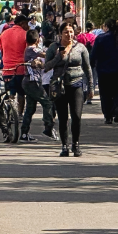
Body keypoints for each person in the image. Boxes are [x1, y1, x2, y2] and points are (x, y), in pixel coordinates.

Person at [44, 20, 93, 157]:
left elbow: (87, 68)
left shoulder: (81, 48)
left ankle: (76, 144)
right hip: (60, 86)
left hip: (76, 84)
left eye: (71, 31)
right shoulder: (54, 48)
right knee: (63, 117)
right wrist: (58, 57)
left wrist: (90, 86)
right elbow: (46, 67)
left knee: (76, 116)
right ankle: (64, 145)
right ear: (60, 33)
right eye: (66, 32)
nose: (69, 34)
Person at [90, 18, 118, 124]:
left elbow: (93, 55)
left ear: (107, 26)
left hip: (103, 71)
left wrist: (92, 65)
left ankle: (108, 116)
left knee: (105, 93)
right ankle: (117, 107)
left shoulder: (100, 38)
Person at [19, 28, 56, 143]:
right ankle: (48, 128)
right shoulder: (31, 49)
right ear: (37, 39)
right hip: (32, 82)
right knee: (47, 102)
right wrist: (55, 53)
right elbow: (44, 55)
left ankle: (24, 133)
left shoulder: (30, 50)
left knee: (30, 108)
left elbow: (39, 64)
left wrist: (40, 64)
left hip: (31, 81)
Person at [0, 14, 30, 120]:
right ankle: (19, 115)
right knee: (21, 93)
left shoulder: (4, 34)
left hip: (7, 69)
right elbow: (28, 53)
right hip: (20, 69)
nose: (28, 25)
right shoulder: (25, 34)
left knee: (10, 92)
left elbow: (0, 50)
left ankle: (10, 112)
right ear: (21, 23)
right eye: (26, 23)